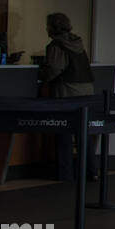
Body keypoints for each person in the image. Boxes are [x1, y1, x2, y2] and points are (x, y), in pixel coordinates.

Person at [40, 12, 99, 182]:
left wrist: (42, 74)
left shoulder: (56, 45)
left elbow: (53, 69)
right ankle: (91, 171)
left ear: (52, 27)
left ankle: (65, 173)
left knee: (64, 132)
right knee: (84, 134)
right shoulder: (77, 42)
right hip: (86, 93)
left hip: (66, 92)